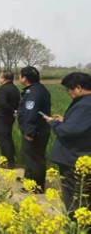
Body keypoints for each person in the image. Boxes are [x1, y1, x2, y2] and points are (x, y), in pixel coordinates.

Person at [43, 72, 91, 218]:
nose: (68, 93)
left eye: (68, 90)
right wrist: (66, 120)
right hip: (80, 158)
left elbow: (67, 131)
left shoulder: (86, 104)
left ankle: (77, 226)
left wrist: (54, 123)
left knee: (76, 200)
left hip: (75, 159)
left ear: (78, 87)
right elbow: (81, 126)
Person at [17, 66, 51, 193]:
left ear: (24, 78)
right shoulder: (37, 89)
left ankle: (36, 186)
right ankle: (29, 179)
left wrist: (30, 131)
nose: (19, 78)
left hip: (36, 131)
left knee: (35, 158)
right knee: (30, 156)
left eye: (20, 76)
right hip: (38, 129)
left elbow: (32, 112)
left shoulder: (33, 92)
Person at [0, 71, 20, 169]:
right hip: (8, 118)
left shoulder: (4, 89)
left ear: (3, 78)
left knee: (3, 140)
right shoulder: (14, 88)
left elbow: (3, 104)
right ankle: (4, 161)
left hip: (0, 117)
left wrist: (13, 111)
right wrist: (14, 112)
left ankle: (9, 163)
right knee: (7, 138)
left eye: (0, 76)